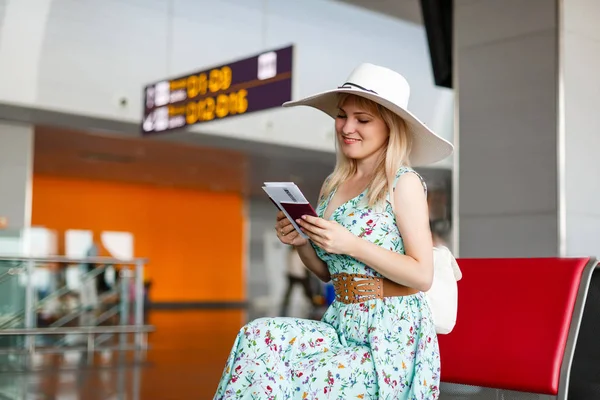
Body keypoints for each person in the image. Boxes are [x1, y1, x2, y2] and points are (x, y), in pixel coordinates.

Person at [214, 63, 454, 399]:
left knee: (304, 381)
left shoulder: (405, 183)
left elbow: (422, 275)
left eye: (363, 119)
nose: (347, 127)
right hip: (340, 323)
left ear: (390, 127)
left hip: (389, 340)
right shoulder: (334, 183)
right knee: (257, 338)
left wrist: (352, 244)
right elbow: (330, 273)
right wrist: (301, 243)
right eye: (342, 115)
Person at [280, 246, 316, 317]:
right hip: (296, 275)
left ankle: (313, 304)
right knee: (290, 291)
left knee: (307, 290)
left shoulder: (294, 254)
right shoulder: (293, 254)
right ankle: (285, 304)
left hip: (299, 275)